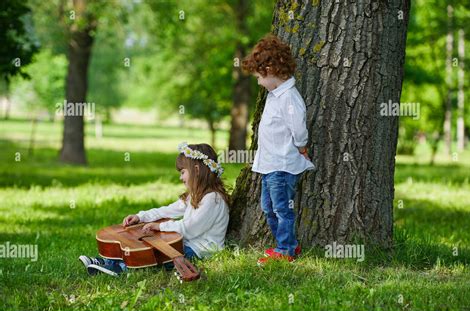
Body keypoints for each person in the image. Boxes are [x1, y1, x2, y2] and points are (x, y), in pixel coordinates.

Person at [79, 142, 230, 276]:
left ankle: (120, 268)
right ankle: (107, 262)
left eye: (183, 172)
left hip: (200, 251)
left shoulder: (213, 199)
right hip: (186, 243)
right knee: (144, 245)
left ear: (196, 170)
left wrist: (160, 226)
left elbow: (190, 229)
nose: (180, 178)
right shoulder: (194, 195)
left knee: (157, 256)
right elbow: (168, 210)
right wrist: (141, 217)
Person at [242, 34, 315, 265]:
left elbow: (298, 128)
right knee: (268, 208)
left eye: (258, 76)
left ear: (270, 69)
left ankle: (286, 249)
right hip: (270, 165)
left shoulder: (289, 99)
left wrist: (302, 146)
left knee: (282, 209)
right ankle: (288, 244)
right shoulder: (275, 95)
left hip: (282, 166)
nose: (257, 81)